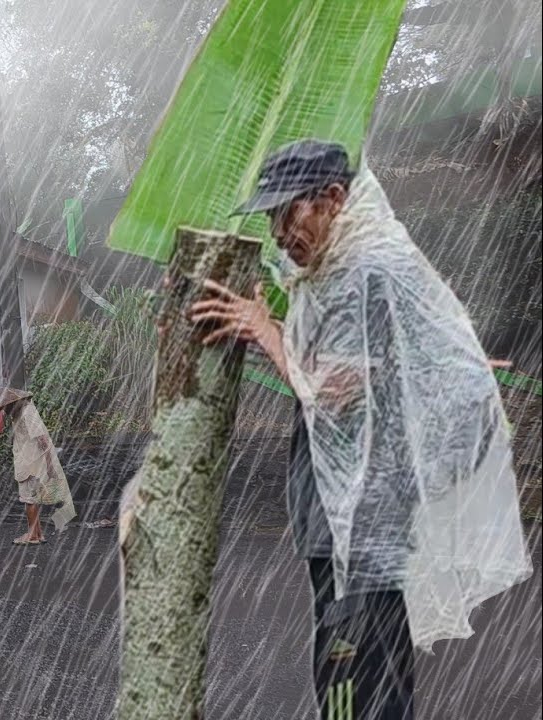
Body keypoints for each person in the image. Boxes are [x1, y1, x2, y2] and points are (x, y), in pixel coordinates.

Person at [189, 139, 531, 720]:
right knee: (375, 676)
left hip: (359, 523)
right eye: (271, 215)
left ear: (333, 199)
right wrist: (272, 324)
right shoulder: (346, 265)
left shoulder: (364, 269)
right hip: (360, 521)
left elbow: (335, 391)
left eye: (286, 211)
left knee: (351, 681)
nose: (277, 232)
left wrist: (265, 332)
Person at [0, 388, 77, 546]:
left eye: (5, 408)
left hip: (32, 464)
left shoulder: (27, 412)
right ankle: (37, 534)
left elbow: (43, 440)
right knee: (32, 499)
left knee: (29, 500)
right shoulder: (20, 414)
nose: (4, 412)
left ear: (12, 404)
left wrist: (49, 466)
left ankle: (32, 536)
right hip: (29, 462)